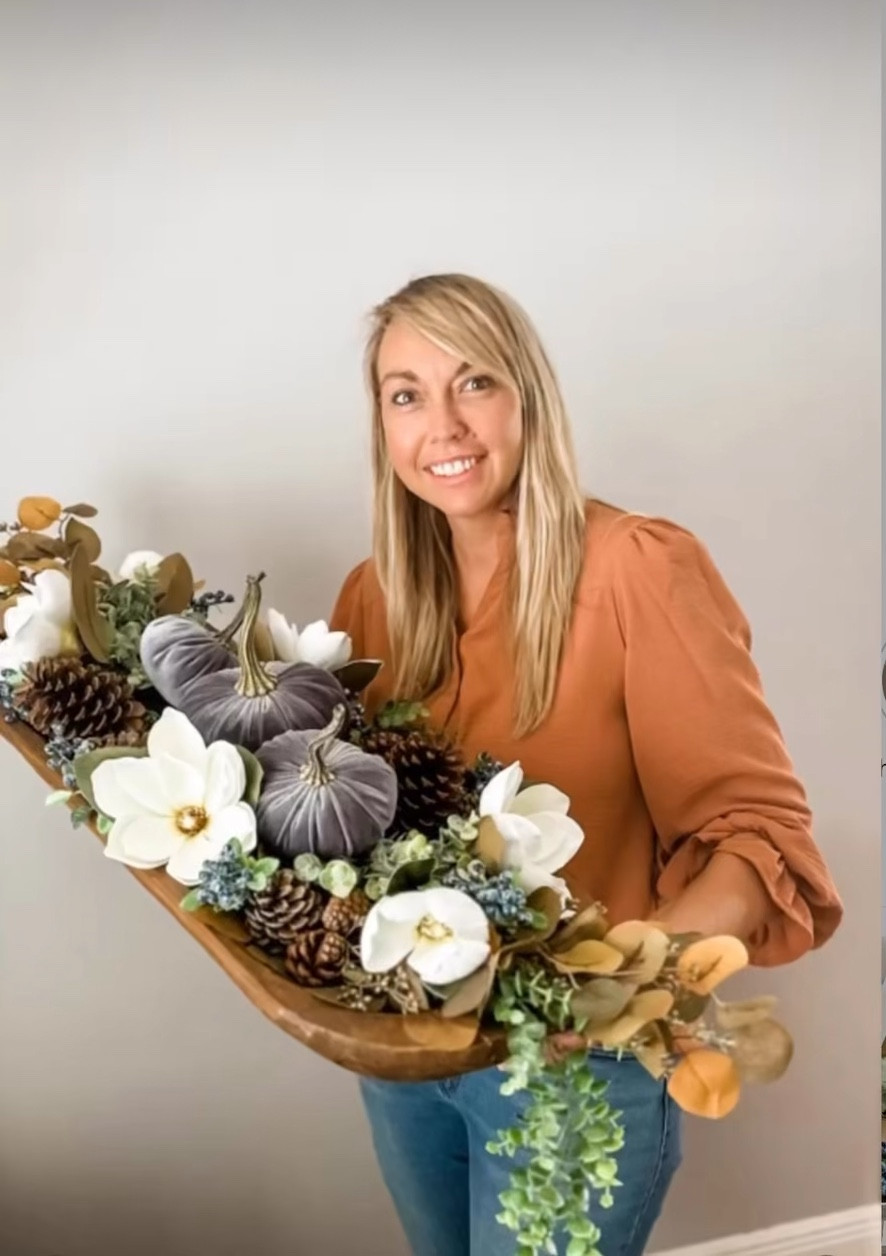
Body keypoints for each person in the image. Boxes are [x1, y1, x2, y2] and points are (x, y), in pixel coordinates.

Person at [329, 273, 843, 1256]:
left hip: (573, 1062)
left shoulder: (638, 568)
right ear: (382, 424)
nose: (443, 424)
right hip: (408, 1051)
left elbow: (755, 834)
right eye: (405, 393)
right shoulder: (373, 594)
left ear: (528, 395)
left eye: (473, 382)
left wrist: (606, 988)